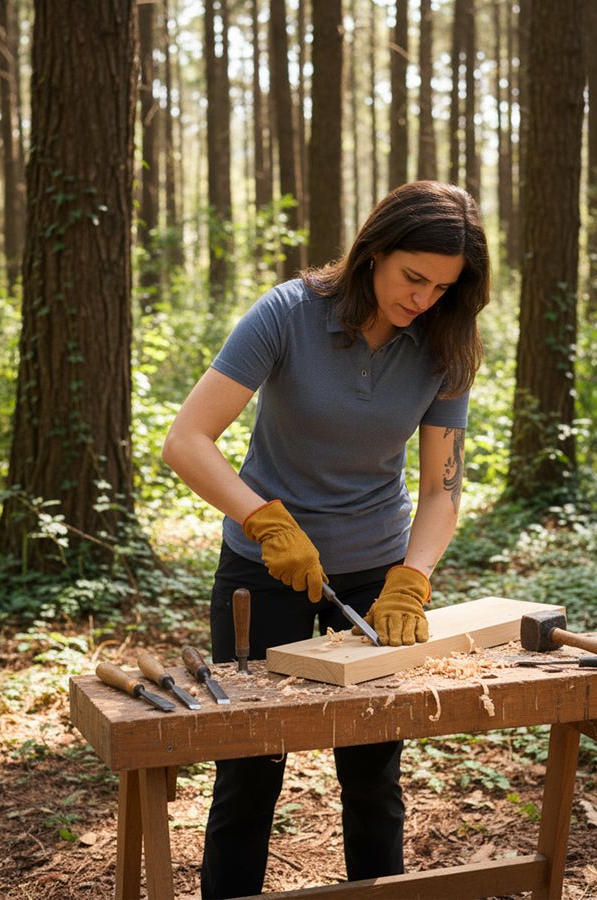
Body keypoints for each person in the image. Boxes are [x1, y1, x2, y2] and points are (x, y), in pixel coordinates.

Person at [162, 180, 491, 898]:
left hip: (379, 576)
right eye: (413, 277)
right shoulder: (288, 314)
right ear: (374, 250)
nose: (424, 298)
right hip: (262, 573)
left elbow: (442, 488)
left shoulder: (446, 343)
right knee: (249, 772)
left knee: (374, 776)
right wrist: (264, 520)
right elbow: (187, 441)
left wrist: (415, 575)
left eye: (443, 286)